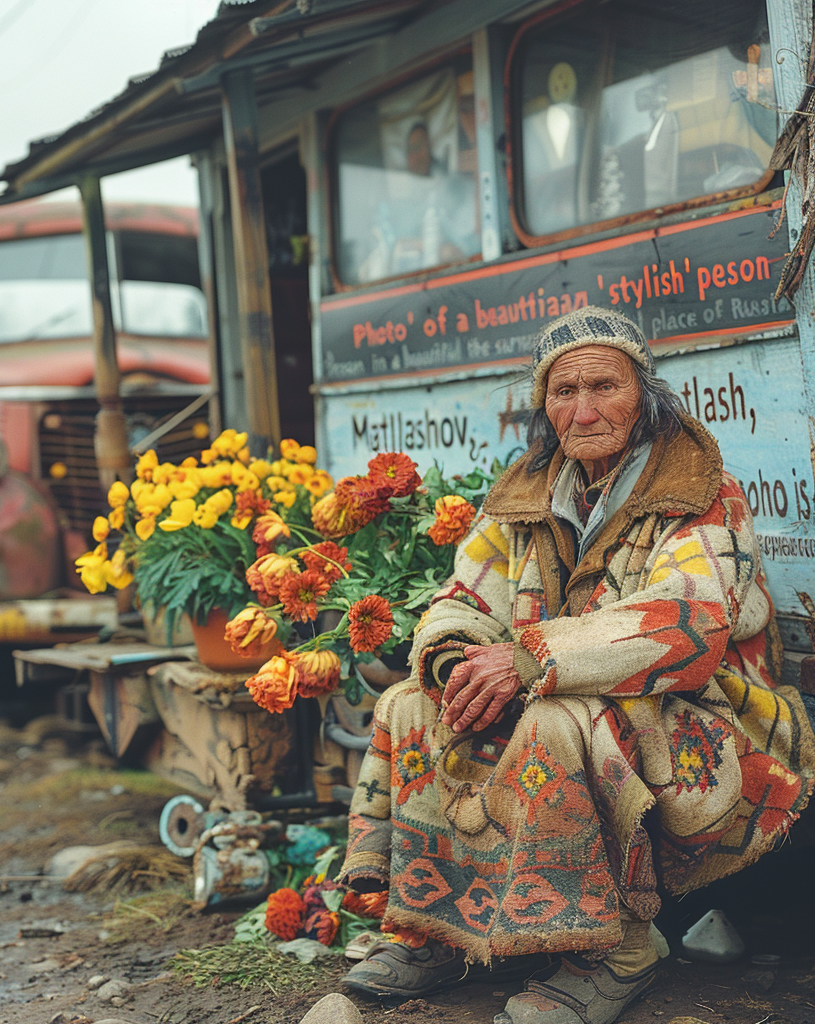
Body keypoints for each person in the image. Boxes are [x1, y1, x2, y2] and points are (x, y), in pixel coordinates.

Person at [338, 306, 815, 1024]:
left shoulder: (697, 487)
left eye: (605, 386)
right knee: (411, 704)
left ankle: (614, 949)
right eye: (564, 391)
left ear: (645, 397)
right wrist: (458, 666)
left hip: (710, 718)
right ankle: (439, 928)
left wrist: (529, 659)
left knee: (562, 718)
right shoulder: (528, 494)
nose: (584, 410)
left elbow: (689, 625)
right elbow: (462, 600)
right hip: (566, 693)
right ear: (545, 405)